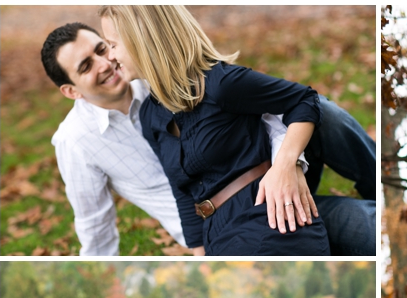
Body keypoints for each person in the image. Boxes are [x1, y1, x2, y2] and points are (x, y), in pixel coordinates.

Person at [42, 20, 375, 256]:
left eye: (104, 48)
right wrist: (199, 248)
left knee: (323, 114)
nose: (106, 62)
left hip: (267, 188)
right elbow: (95, 224)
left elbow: (265, 119)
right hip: (216, 226)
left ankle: (380, 184)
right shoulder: (76, 141)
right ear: (71, 90)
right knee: (357, 227)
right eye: (86, 65)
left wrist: (287, 168)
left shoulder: (162, 76)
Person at [98, 5, 334, 256]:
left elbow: (304, 99)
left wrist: (286, 164)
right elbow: (183, 192)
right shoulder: (150, 115)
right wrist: (200, 255)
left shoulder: (219, 84)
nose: (109, 58)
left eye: (112, 45)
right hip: (217, 234)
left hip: (269, 218)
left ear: (142, 41)